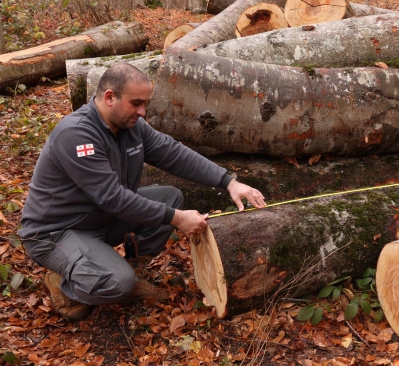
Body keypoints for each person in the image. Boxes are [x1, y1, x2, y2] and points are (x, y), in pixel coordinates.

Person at [19, 63, 266, 320]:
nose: (142, 112)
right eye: (136, 103)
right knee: (118, 283)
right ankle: (63, 283)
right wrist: (178, 218)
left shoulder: (130, 127)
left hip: (99, 219)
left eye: (145, 103)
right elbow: (113, 198)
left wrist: (228, 182)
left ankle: (127, 270)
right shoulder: (76, 134)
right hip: (56, 233)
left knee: (171, 197)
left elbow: (174, 153)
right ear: (110, 97)